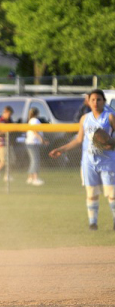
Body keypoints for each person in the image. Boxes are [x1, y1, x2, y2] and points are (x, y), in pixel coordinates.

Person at [49, 89, 115, 230]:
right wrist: (61, 149)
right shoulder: (85, 118)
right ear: (88, 101)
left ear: (104, 101)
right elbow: (79, 140)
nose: (95, 102)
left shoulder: (109, 117)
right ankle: (93, 223)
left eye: (99, 99)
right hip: (89, 161)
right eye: (92, 100)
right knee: (91, 193)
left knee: (112, 193)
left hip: (108, 160)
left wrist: (111, 143)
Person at [0, 106, 15, 181]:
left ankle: (7, 176)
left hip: (8, 143)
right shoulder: (0, 121)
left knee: (12, 160)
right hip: (2, 144)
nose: (9, 115)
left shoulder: (9, 120)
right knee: (3, 160)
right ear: (5, 113)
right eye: (8, 114)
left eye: (10, 114)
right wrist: (6, 131)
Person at [25, 108, 48, 186]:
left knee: (33, 160)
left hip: (30, 142)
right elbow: (35, 131)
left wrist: (42, 139)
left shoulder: (31, 120)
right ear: (37, 113)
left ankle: (30, 178)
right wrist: (42, 139)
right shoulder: (35, 120)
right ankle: (35, 178)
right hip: (33, 143)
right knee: (35, 160)